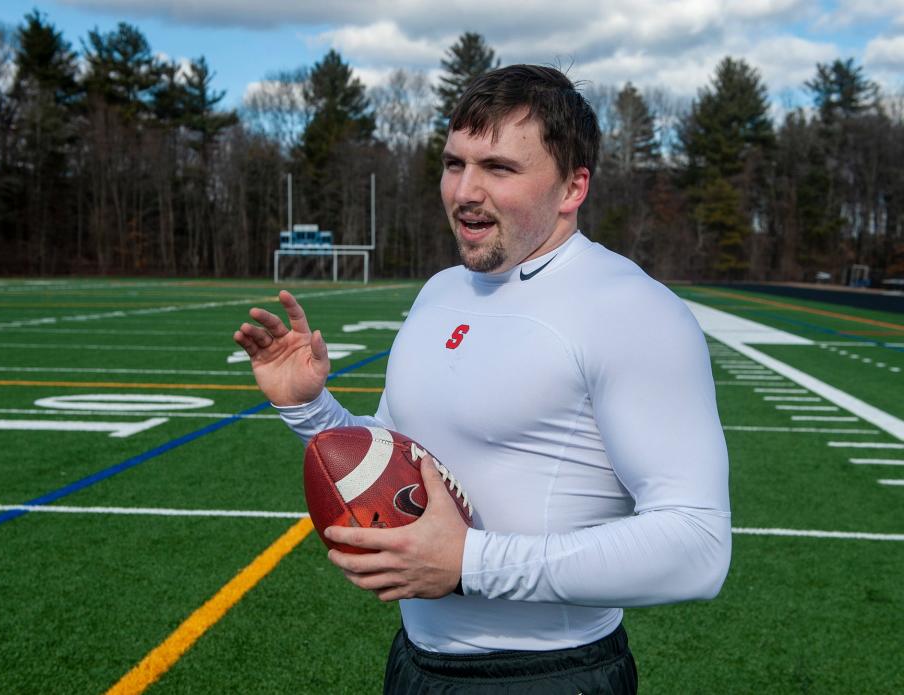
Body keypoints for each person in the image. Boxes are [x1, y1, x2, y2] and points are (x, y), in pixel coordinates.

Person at [234, 64, 731, 694]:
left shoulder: (632, 309)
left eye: (498, 168)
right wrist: (311, 410)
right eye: (453, 164)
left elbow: (697, 548)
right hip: (417, 663)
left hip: (547, 676)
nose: (465, 191)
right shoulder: (442, 290)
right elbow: (395, 462)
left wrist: (470, 562)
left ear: (573, 187)